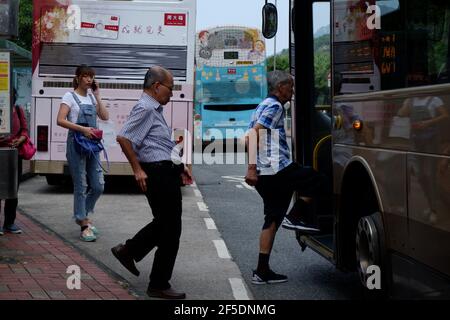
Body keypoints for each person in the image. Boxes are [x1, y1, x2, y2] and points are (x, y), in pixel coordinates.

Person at [112, 66, 192, 300]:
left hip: (164, 171)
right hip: (157, 174)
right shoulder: (146, 107)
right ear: (157, 86)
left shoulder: (153, 109)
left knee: (165, 224)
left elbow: (157, 144)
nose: (173, 92)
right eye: (171, 87)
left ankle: (129, 251)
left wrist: (179, 166)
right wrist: (137, 169)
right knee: (170, 228)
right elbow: (124, 137)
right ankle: (157, 282)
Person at [245, 70, 328, 284]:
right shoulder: (274, 106)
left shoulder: (261, 105)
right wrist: (251, 168)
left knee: (272, 218)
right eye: (290, 86)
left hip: (267, 172)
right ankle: (297, 215)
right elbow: (253, 135)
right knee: (317, 179)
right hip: (276, 169)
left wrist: (255, 168)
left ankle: (262, 271)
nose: (292, 91)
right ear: (280, 87)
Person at [56, 65, 109, 242]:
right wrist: (82, 129)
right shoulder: (69, 96)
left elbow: (105, 116)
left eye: (91, 77)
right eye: (86, 76)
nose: (89, 80)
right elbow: (60, 120)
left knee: (98, 185)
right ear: (78, 77)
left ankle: (81, 215)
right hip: (76, 143)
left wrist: (98, 95)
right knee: (81, 185)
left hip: (92, 144)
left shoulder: (92, 98)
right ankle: (85, 224)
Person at [0, 89, 27, 235]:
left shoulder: (18, 109)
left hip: (14, 154)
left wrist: (20, 140)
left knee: (13, 189)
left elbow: (24, 130)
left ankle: (9, 222)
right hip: (0, 152)